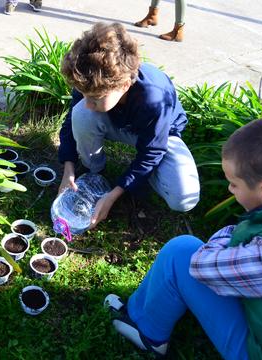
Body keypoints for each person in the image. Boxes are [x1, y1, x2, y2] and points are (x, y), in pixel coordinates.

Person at [104, 116, 262, 359]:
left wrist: (230, 236)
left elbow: (202, 268)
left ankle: (147, 333)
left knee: (181, 253)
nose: (229, 190)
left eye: (234, 184)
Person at [58, 22, 200, 230]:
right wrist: (68, 168)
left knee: (184, 199)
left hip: (160, 135)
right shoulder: (91, 78)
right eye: (85, 95)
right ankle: (94, 170)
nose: (88, 103)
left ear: (124, 85)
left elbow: (152, 150)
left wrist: (114, 194)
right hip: (116, 121)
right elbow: (71, 121)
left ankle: (143, 178)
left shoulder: (153, 97)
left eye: (96, 99)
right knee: (80, 114)